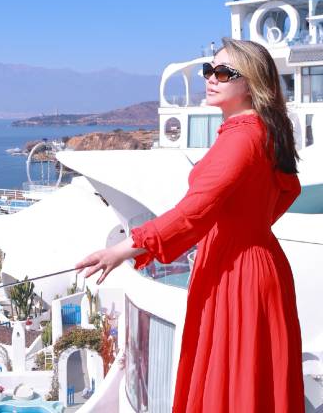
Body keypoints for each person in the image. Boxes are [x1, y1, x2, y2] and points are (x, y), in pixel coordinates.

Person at [76, 37, 303, 413]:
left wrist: (121, 249)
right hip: (260, 263)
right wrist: (251, 227)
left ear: (251, 83)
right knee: (249, 378)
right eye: (208, 70)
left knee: (229, 380)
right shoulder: (265, 130)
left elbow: (193, 211)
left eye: (223, 73)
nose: (211, 78)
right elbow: (289, 189)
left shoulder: (242, 139)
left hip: (237, 272)